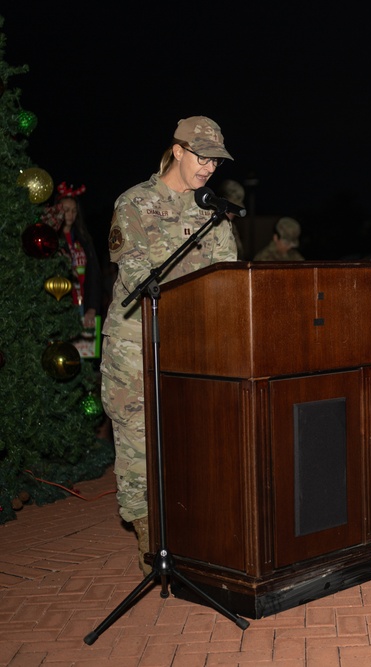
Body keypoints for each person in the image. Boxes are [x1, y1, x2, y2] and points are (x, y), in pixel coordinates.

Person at [101, 116, 238, 575]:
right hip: (134, 341)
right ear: (177, 150)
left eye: (216, 160)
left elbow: (228, 278)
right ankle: (150, 541)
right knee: (138, 440)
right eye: (201, 156)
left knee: (190, 436)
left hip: (191, 342)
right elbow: (138, 275)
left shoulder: (213, 211)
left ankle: (190, 529)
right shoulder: (135, 203)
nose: (208, 167)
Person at [51, 183, 103, 332]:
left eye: (74, 211)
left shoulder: (84, 239)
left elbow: (94, 275)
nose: (70, 215)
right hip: (61, 307)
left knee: (82, 354)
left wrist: (92, 308)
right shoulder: (52, 241)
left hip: (83, 307)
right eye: (66, 210)